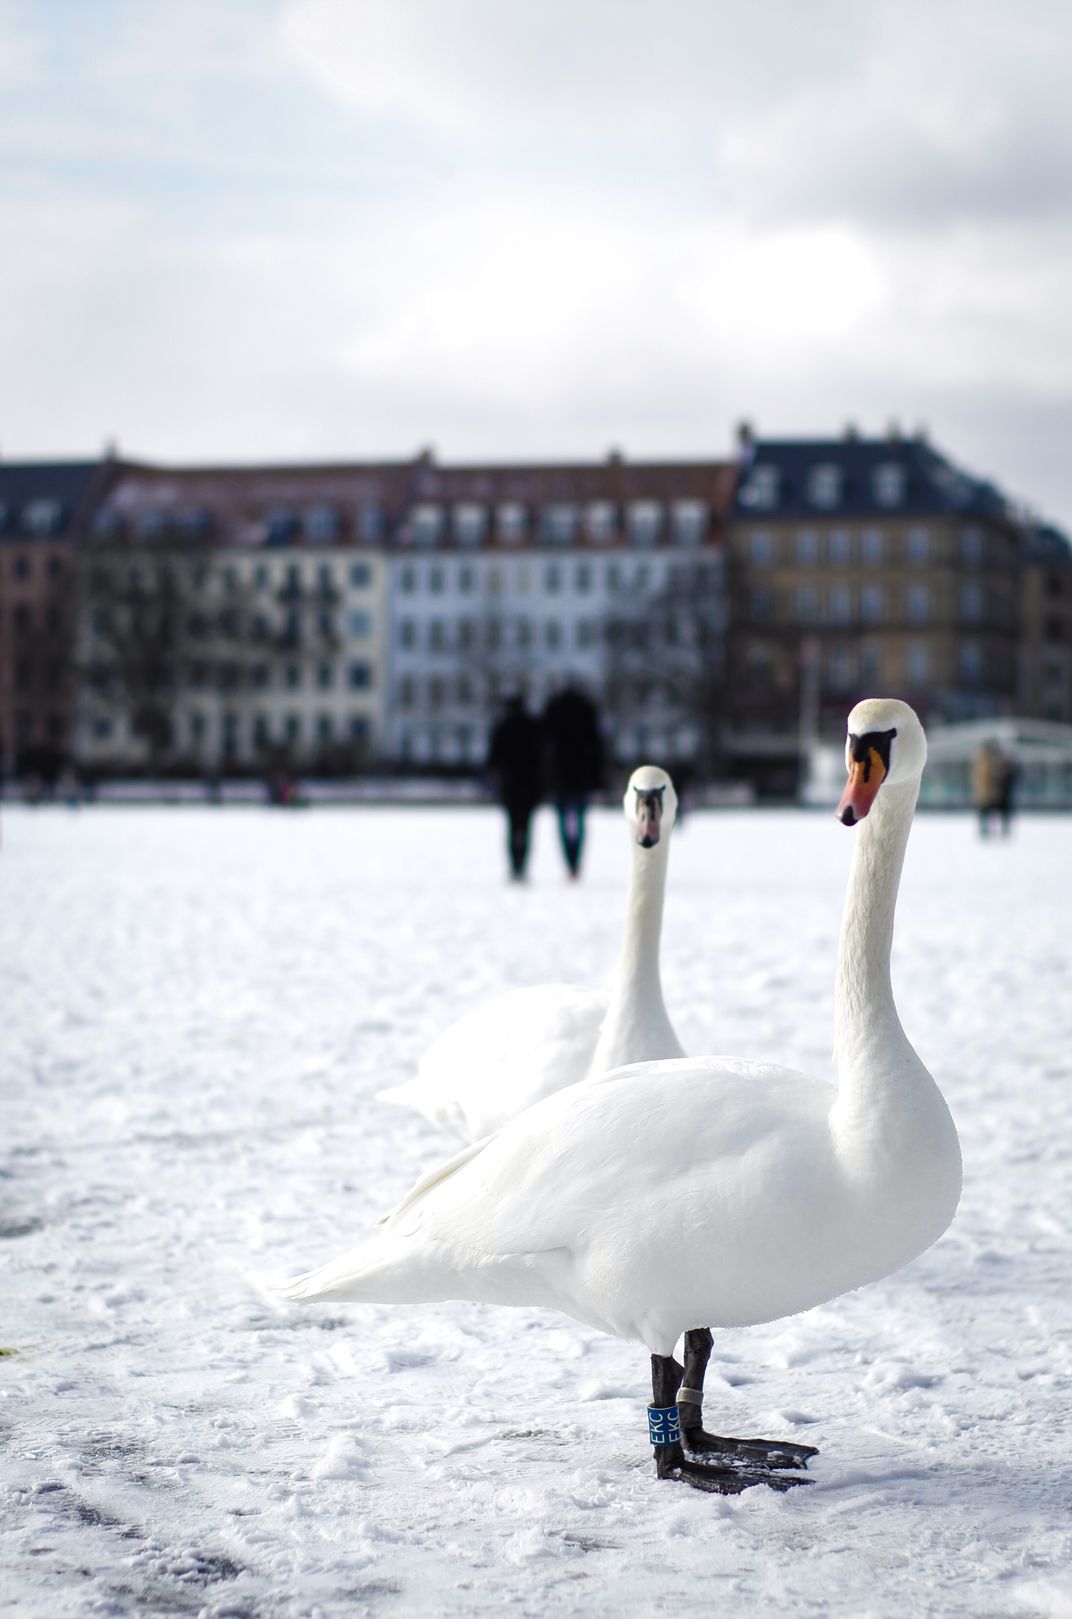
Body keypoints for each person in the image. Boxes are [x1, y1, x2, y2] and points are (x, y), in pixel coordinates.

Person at [542, 680, 605, 879]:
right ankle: (575, 862)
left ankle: (570, 862)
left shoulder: (553, 709)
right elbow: (597, 747)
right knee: (579, 820)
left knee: (562, 820)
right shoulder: (587, 710)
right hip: (581, 775)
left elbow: (543, 745)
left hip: (559, 775)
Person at [487, 694, 544, 881]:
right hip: (529, 786)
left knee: (512, 827)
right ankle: (522, 864)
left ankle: (514, 866)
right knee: (526, 827)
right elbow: (542, 758)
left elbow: (493, 759)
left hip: (510, 786)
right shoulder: (533, 727)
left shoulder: (502, 727)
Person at [972, 741, 1018, 837]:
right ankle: (988, 831)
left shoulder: (987, 764)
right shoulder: (985, 764)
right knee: (987, 811)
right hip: (987, 794)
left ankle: (991, 830)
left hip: (990, 794)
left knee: (991, 811)